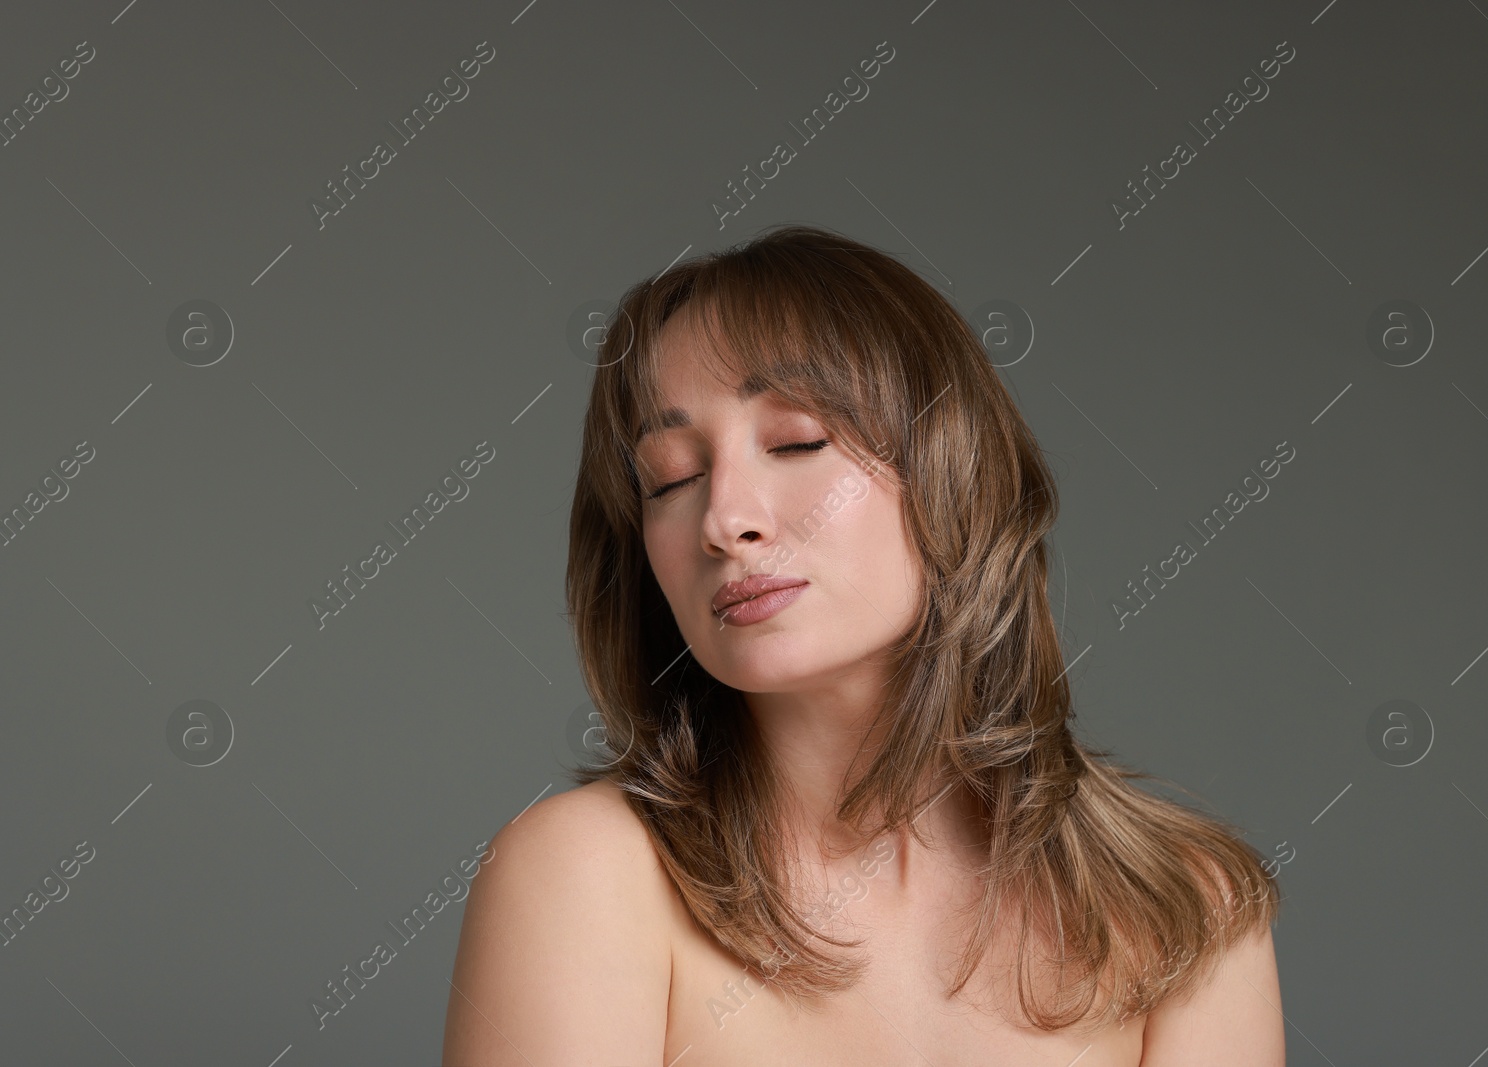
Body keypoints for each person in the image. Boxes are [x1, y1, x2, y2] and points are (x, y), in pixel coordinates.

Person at [442, 224, 1285, 1065]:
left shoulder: (1185, 908)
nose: (725, 520)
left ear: (953, 472)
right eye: (671, 477)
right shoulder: (584, 876)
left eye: (798, 441)